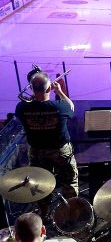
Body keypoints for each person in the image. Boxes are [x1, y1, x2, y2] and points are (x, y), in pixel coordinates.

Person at [15, 71, 78, 219]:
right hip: (60, 151)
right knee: (69, 181)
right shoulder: (60, 106)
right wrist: (60, 91)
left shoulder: (22, 108)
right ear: (49, 88)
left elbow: (30, 105)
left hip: (37, 152)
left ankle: (43, 214)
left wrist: (34, 98)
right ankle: (72, 213)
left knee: (40, 184)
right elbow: (71, 107)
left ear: (31, 89)